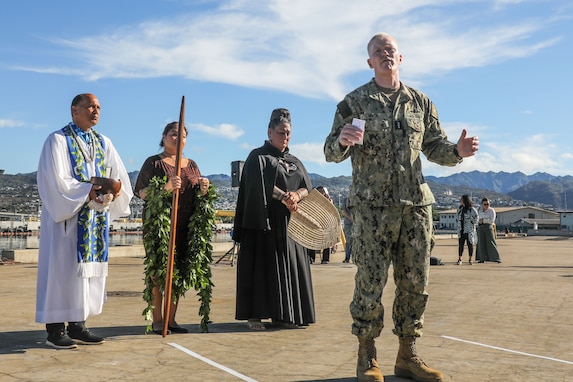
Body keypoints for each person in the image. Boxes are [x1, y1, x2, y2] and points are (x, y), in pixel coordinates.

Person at [323, 33, 479, 382]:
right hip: (372, 210)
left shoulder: (420, 102)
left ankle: (407, 355)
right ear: (369, 62)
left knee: (415, 284)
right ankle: (367, 356)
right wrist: (342, 141)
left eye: (390, 50)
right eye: (378, 52)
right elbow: (330, 152)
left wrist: (457, 151)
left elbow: (435, 146)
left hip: (415, 208)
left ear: (400, 57)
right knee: (370, 283)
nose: (385, 55)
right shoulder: (354, 103)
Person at [36, 93, 133, 349]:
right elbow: (55, 180)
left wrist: (114, 191)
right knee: (61, 271)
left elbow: (119, 176)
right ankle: (55, 330)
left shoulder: (103, 142)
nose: (96, 110)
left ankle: (78, 325)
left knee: (84, 275)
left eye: (99, 106)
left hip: (93, 220)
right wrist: (86, 191)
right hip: (66, 221)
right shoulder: (57, 140)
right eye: (90, 106)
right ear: (74, 110)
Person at [233, 108, 315, 330]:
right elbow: (256, 185)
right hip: (264, 223)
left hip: (291, 224)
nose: (285, 137)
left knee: (291, 266)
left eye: (288, 133)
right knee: (263, 269)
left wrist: (297, 195)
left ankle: (286, 314)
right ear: (270, 132)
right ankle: (256, 315)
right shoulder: (257, 157)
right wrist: (284, 197)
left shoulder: (295, 160)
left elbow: (307, 186)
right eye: (281, 133)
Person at [134, 122, 211, 334]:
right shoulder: (154, 163)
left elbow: (197, 194)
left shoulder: (192, 164)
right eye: (173, 134)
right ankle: (158, 320)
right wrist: (166, 187)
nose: (178, 138)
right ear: (164, 136)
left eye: (182, 135)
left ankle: (172, 319)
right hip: (160, 227)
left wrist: (204, 189)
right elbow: (141, 192)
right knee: (160, 273)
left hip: (185, 226)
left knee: (179, 272)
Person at [476, 198, 501, 263]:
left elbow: (492, 220)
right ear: (482, 204)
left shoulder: (491, 210)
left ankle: (495, 258)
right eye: (485, 204)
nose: (487, 205)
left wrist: (484, 220)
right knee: (481, 243)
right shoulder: (478, 210)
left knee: (491, 242)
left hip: (488, 226)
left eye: (488, 204)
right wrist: (479, 221)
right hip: (480, 227)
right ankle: (481, 258)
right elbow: (476, 218)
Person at [456, 195, 478, 265]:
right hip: (461, 229)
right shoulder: (460, 209)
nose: (461, 201)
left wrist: (472, 222)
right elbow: (457, 217)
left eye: (462, 200)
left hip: (469, 230)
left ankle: (470, 258)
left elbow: (476, 217)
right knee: (461, 244)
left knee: (470, 244)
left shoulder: (472, 209)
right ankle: (460, 258)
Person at [342, 196, 353, 263]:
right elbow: (343, 211)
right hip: (348, 223)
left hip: (359, 223)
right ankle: (347, 257)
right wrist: (350, 218)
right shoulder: (345, 200)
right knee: (348, 241)